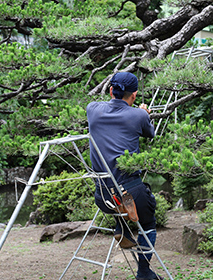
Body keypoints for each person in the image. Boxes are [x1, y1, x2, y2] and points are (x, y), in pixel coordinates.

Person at [86, 72, 162, 280]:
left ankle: (122, 226)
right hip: (131, 194)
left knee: (116, 191)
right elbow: (150, 134)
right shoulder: (138, 115)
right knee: (147, 224)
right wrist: (144, 113)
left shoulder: (92, 109)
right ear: (134, 95)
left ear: (111, 90)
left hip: (103, 196)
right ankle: (144, 273)